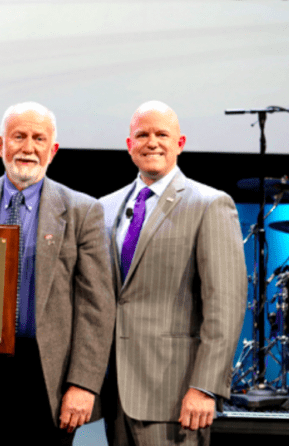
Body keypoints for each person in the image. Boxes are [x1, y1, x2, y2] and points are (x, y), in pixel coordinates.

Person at [0, 101, 115, 445]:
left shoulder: (83, 211)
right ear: (0, 144)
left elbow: (97, 307)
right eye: (18, 136)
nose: (28, 147)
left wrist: (83, 383)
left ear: (53, 149)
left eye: (39, 138)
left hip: (49, 376)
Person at [100, 100, 247, 446]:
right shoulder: (104, 208)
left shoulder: (210, 204)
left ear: (180, 143)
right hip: (116, 393)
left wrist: (205, 386)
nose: (152, 142)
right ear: (129, 145)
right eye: (143, 135)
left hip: (176, 396)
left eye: (162, 134)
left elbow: (224, 306)